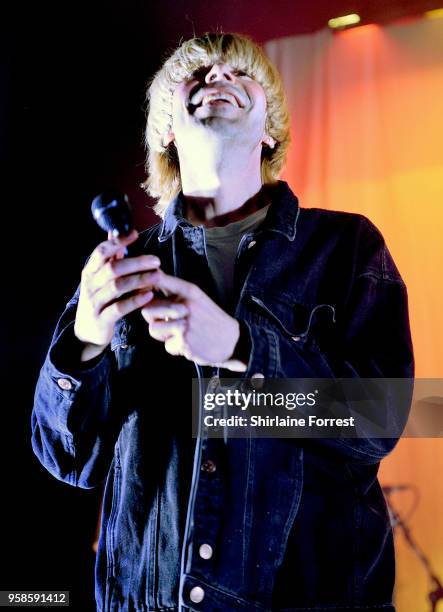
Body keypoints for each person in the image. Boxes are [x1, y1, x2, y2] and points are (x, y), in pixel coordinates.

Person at [32, 32, 414, 611]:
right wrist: (86, 337)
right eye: (200, 74)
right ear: (166, 130)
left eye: (240, 75)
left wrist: (240, 349)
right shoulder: (125, 270)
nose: (217, 78)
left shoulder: (347, 247)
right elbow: (65, 459)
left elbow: (383, 418)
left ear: (270, 132)